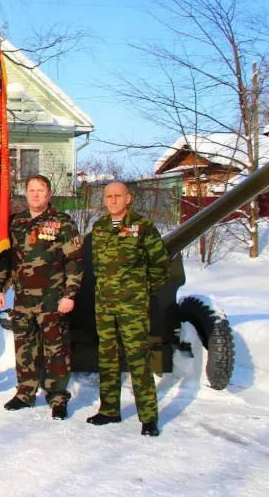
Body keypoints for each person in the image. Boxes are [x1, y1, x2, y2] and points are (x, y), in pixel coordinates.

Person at [0, 175, 83, 420]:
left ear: (49, 194)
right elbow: (4, 258)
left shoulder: (62, 222)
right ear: (26, 193)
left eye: (40, 190)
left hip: (53, 299)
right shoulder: (16, 222)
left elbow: (74, 261)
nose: (35, 195)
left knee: (55, 349)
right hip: (23, 300)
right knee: (24, 347)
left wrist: (70, 294)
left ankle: (57, 397)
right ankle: (25, 392)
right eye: (31, 190)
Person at [87, 181, 169, 437]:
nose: (112, 200)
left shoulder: (143, 227)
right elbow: (97, 266)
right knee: (107, 358)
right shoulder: (99, 227)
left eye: (117, 196)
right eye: (108, 196)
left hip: (132, 306)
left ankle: (148, 418)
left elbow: (160, 264)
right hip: (104, 304)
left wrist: (142, 291)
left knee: (138, 360)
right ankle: (109, 409)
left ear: (128, 198)